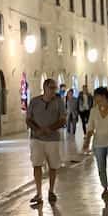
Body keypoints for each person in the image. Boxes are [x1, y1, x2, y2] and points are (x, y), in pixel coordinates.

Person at [27, 77, 66, 206]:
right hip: (37, 139)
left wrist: (50, 129)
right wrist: (37, 130)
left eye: (55, 88)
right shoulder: (34, 102)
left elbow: (63, 119)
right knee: (36, 164)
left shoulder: (59, 102)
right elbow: (28, 119)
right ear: (44, 88)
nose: (54, 90)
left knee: (53, 166)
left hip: (52, 140)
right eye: (51, 88)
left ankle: (51, 190)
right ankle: (38, 193)